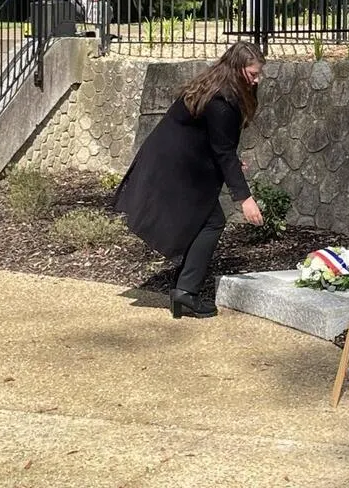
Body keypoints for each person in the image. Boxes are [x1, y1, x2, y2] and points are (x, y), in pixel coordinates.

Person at [113, 41, 266, 319]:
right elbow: (222, 151)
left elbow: (216, 142)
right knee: (212, 221)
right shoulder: (222, 100)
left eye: (259, 74)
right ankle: (185, 291)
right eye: (253, 74)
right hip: (175, 164)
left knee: (203, 219)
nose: (257, 80)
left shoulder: (214, 85)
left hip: (174, 158)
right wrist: (245, 199)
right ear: (237, 68)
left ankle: (184, 287)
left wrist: (231, 162)